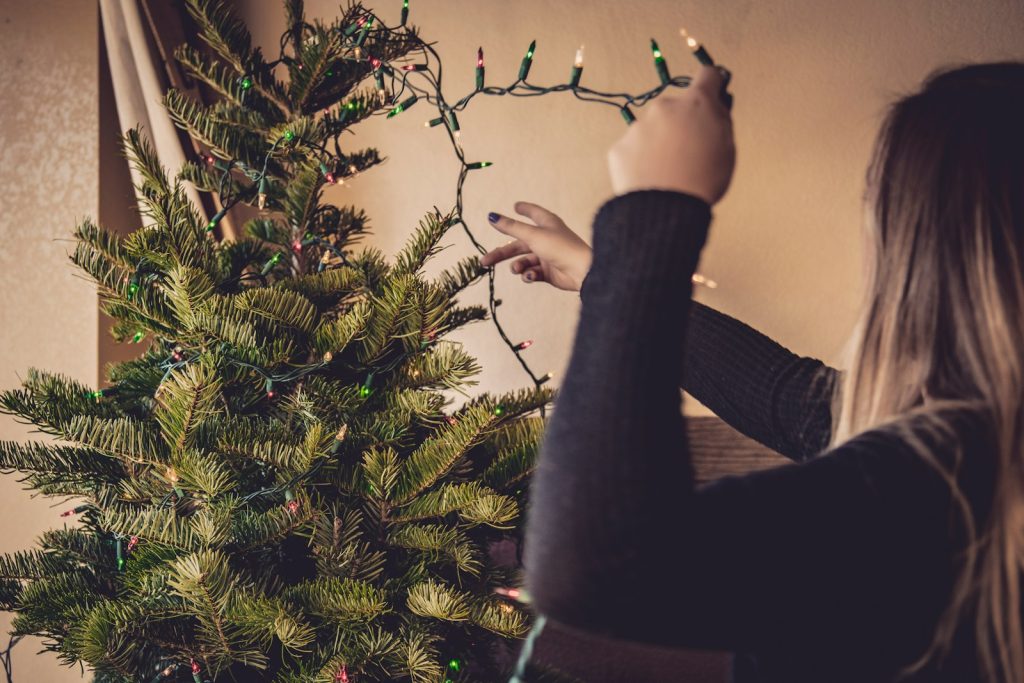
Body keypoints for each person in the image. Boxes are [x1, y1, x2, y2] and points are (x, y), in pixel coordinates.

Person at [479, 62, 1024, 682]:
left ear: (924, 255)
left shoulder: (932, 490)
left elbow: (596, 561)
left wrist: (655, 210)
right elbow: (793, 399)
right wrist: (599, 270)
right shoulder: (978, 455)